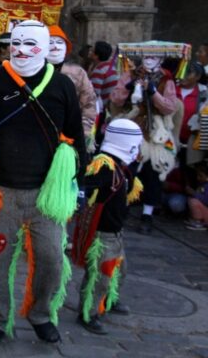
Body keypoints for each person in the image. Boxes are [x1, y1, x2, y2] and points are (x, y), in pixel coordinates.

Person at [0, 20, 86, 345]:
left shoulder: (62, 87)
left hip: (46, 194)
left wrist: (79, 183)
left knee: (51, 258)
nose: (21, 51)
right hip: (0, 193)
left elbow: (77, 137)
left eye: (30, 45)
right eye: (16, 44)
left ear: (46, 48)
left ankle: (40, 313)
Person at [73, 119, 143, 334]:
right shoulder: (103, 166)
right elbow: (83, 184)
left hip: (116, 232)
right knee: (100, 275)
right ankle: (88, 312)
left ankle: (110, 300)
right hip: (103, 234)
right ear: (127, 143)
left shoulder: (119, 167)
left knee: (120, 271)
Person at [110, 47, 179, 234]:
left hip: (155, 130)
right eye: (146, 56)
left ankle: (147, 214)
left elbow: (170, 107)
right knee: (126, 169)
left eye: (153, 56)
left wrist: (154, 93)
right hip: (131, 123)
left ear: (160, 59)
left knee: (154, 170)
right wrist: (128, 88)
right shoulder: (129, 74)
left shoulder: (167, 79)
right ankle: (121, 206)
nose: (149, 60)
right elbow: (115, 99)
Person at [46, 25, 97, 151]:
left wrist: (84, 132)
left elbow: (89, 103)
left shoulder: (77, 73)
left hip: (70, 134)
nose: (55, 46)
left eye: (59, 42)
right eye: (50, 42)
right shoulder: (32, 72)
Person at [89, 41, 118, 107]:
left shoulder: (99, 71)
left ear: (96, 56)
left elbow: (94, 94)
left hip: (102, 107)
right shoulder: (110, 67)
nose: (89, 52)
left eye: (92, 51)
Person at [185, 163, 208, 230]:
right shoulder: (202, 184)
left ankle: (199, 222)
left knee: (194, 202)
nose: (198, 178)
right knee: (191, 199)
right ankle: (196, 220)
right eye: (197, 175)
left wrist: (194, 193)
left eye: (201, 176)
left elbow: (206, 200)